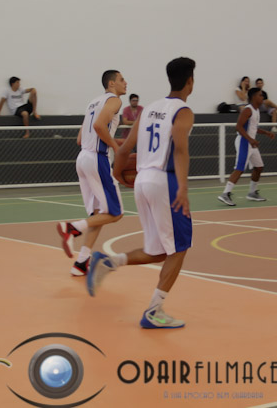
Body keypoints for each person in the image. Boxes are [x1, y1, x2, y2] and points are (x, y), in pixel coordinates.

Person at [87, 57, 196, 330]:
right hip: (164, 181)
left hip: (143, 180)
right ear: (190, 81)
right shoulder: (183, 111)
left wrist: (117, 173)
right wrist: (183, 187)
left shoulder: (150, 109)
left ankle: (109, 262)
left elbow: (124, 149)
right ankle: (154, 311)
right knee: (180, 248)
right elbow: (180, 150)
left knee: (158, 251)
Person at [55, 70, 128, 276]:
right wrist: (116, 147)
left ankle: (81, 262)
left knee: (99, 214)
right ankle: (73, 227)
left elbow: (80, 138)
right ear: (111, 83)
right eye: (122, 79)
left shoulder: (93, 103)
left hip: (83, 158)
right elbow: (98, 126)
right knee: (115, 213)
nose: (126, 82)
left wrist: (113, 141)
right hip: (97, 159)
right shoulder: (114, 101)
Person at [218, 87, 275, 206]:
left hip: (251, 143)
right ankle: (225, 193)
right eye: (260, 95)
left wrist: (266, 132)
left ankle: (252, 192)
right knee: (239, 168)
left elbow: (253, 128)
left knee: (259, 167)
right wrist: (250, 140)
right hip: (244, 142)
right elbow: (238, 127)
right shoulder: (247, 110)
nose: (262, 97)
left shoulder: (256, 110)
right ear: (253, 97)